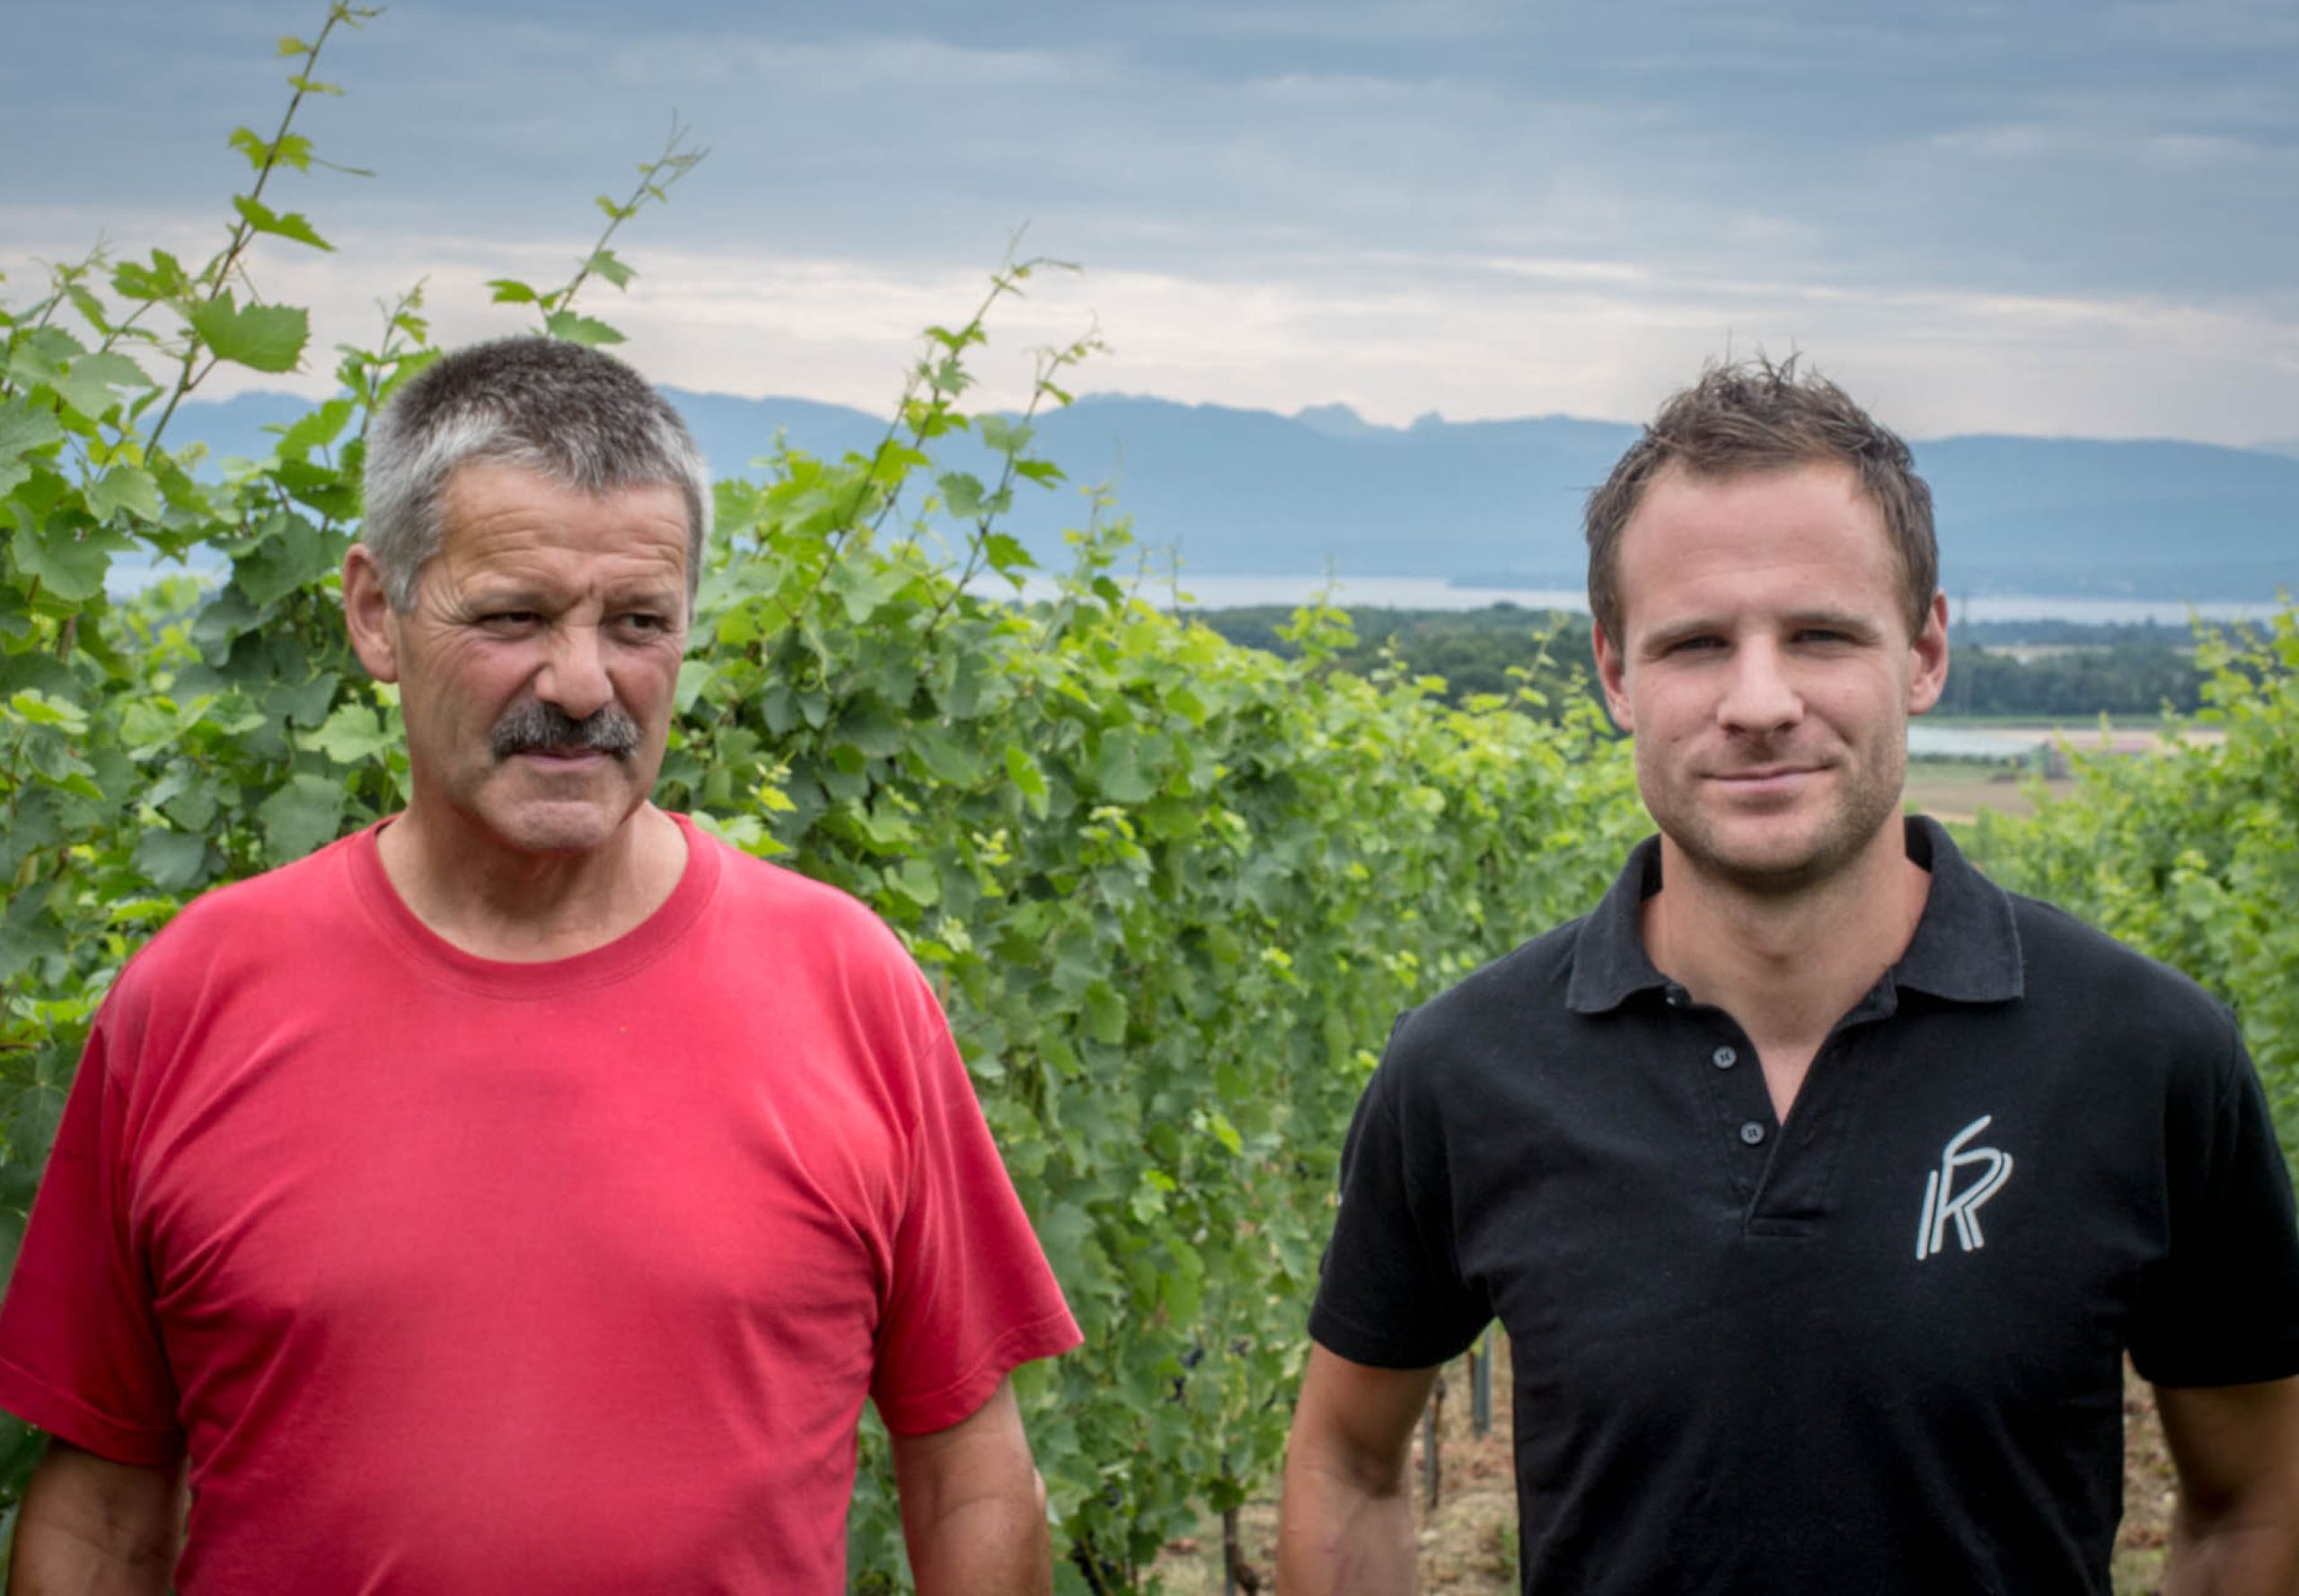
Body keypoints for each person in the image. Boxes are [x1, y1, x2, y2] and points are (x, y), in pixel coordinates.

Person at [0, 337, 1081, 1593]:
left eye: (638, 623)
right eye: (514, 616)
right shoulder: (193, 997)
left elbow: (975, 1480)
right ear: (374, 614)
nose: (583, 685)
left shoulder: (849, 986)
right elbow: (102, 1517)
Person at [1277, 357, 2299, 1594]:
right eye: (1698, 643)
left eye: (1819, 633)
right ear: (1616, 673)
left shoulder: (2150, 1057)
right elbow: (1347, 1465)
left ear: (1923, 652)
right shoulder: (1463, 1068)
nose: (1759, 701)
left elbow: (2255, 1498)